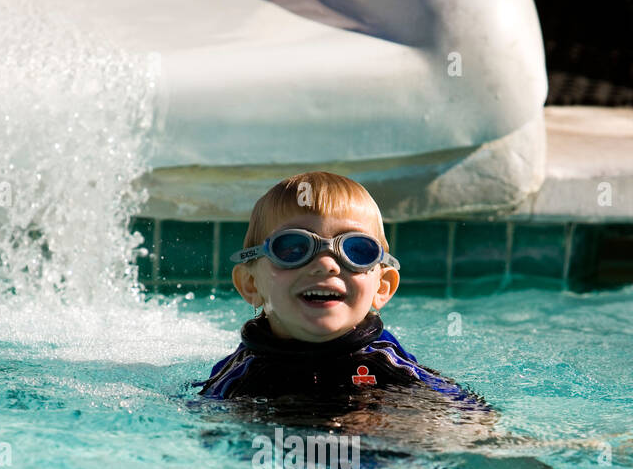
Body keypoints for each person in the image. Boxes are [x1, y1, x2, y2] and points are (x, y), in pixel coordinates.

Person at [196, 171, 491, 420]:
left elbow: (474, 422)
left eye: (356, 250)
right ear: (250, 283)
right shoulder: (239, 378)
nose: (326, 264)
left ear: (383, 286)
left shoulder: (389, 366)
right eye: (293, 248)